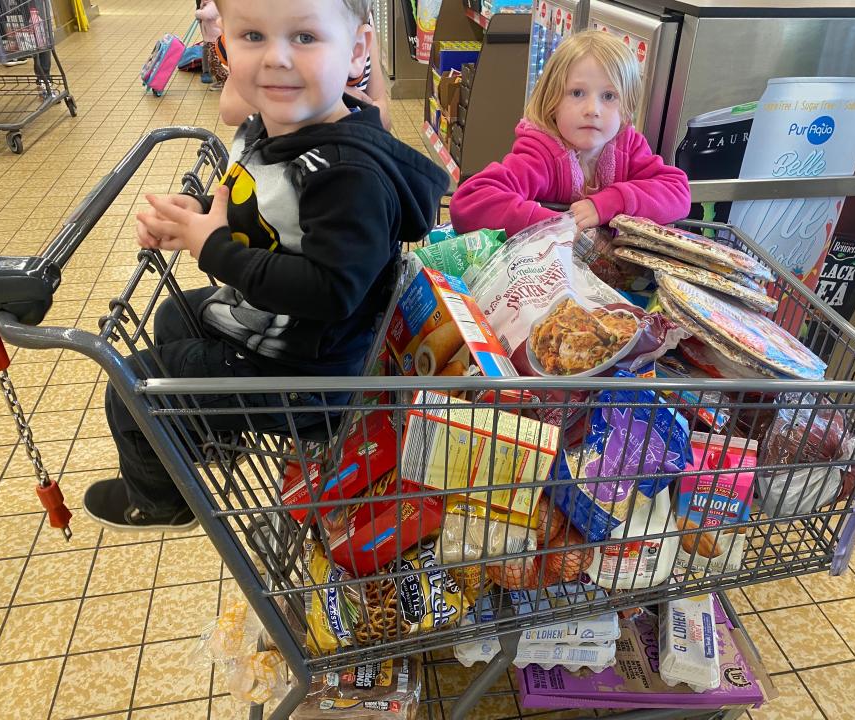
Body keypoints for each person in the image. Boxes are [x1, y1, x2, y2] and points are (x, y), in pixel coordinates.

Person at [82, 0, 448, 532]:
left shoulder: (349, 175)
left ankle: (160, 500)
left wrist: (214, 249)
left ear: (356, 52)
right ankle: (214, 440)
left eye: (304, 38)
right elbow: (267, 210)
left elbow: (331, 291)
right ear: (225, 44)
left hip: (309, 376)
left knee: (133, 386)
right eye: (253, 35)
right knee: (173, 317)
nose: (276, 58)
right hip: (277, 327)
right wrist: (202, 217)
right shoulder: (272, 126)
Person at [449, 31, 690, 238]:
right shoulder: (540, 153)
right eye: (577, 93)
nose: (592, 110)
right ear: (552, 101)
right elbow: (470, 202)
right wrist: (554, 226)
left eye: (608, 96)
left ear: (626, 109)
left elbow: (678, 192)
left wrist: (610, 203)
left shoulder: (628, 148)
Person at [218, 13, 392, 130]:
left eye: (306, 38)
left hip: (349, 158)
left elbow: (382, 112)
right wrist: (337, 95)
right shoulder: (276, 12)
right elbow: (230, 109)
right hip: (281, 160)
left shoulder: (360, 16)